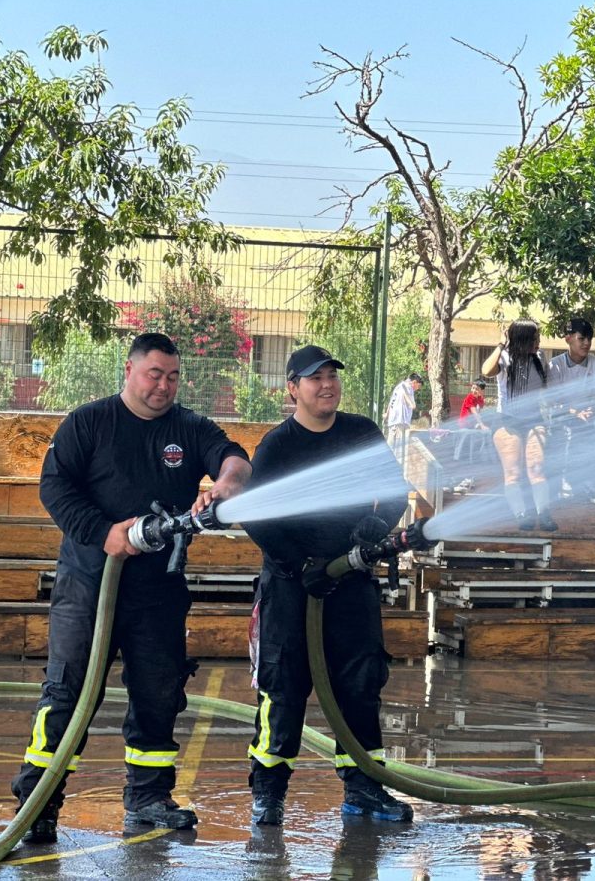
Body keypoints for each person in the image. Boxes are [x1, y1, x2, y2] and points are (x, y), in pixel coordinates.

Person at [10, 333, 252, 844]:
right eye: (154, 374)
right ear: (129, 370)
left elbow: (232, 456)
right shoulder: (90, 422)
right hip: (89, 586)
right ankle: (39, 802)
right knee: (68, 693)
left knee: (159, 693)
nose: (164, 385)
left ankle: (149, 797)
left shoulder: (189, 428)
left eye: (173, 377)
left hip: (158, 592)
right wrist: (105, 533)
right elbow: (54, 487)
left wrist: (229, 481)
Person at [242, 344, 413, 827]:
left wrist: (377, 524)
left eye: (332, 376)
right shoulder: (278, 446)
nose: (327, 385)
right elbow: (256, 515)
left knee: (360, 684)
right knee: (283, 687)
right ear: (292, 389)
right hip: (291, 586)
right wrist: (299, 564)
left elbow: (395, 492)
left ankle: (364, 787)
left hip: (351, 579)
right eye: (315, 378)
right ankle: (269, 792)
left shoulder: (361, 433)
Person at [482, 319, 556, 532]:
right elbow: (486, 370)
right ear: (523, 339)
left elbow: (547, 386)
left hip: (534, 420)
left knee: (537, 468)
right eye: (534, 338)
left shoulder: (539, 357)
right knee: (513, 472)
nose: (538, 342)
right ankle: (521, 514)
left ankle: (544, 513)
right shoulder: (505, 357)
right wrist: (501, 344)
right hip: (507, 421)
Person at [548, 318, 595, 501]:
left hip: (589, 416)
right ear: (568, 339)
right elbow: (553, 401)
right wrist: (575, 413)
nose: (587, 343)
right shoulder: (555, 365)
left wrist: (587, 412)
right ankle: (561, 483)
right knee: (563, 435)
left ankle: (590, 482)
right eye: (582, 338)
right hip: (561, 417)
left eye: (589, 339)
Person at [452, 378, 490, 490]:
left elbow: (479, 413)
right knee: (464, 453)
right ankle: (461, 479)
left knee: (472, 453)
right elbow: (474, 413)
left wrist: (478, 425)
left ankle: (470, 479)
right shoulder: (470, 397)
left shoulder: (481, 400)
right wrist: (482, 425)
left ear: (482, 391)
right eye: (473, 388)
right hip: (465, 429)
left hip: (472, 430)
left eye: (477, 389)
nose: (474, 390)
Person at [384, 372, 423, 460]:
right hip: (401, 420)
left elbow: (391, 401)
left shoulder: (399, 386)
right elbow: (405, 396)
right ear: (414, 382)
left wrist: (387, 414)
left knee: (391, 446)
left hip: (393, 420)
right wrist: (411, 404)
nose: (418, 389)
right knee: (399, 450)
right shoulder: (408, 387)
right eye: (418, 386)